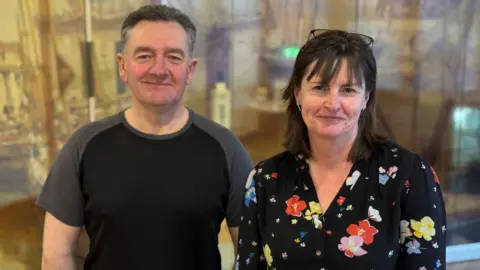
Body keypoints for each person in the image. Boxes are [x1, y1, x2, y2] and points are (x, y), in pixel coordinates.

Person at [36, 4, 253, 270]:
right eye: (144, 55)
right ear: (123, 66)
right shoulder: (84, 146)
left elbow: (250, 256)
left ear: (191, 69)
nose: (159, 69)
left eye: (173, 57)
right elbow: (55, 256)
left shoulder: (225, 149)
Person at [236, 29, 447, 270]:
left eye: (348, 90)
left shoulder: (409, 176)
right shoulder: (265, 179)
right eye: (319, 88)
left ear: (366, 98)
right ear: (297, 94)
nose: (332, 103)